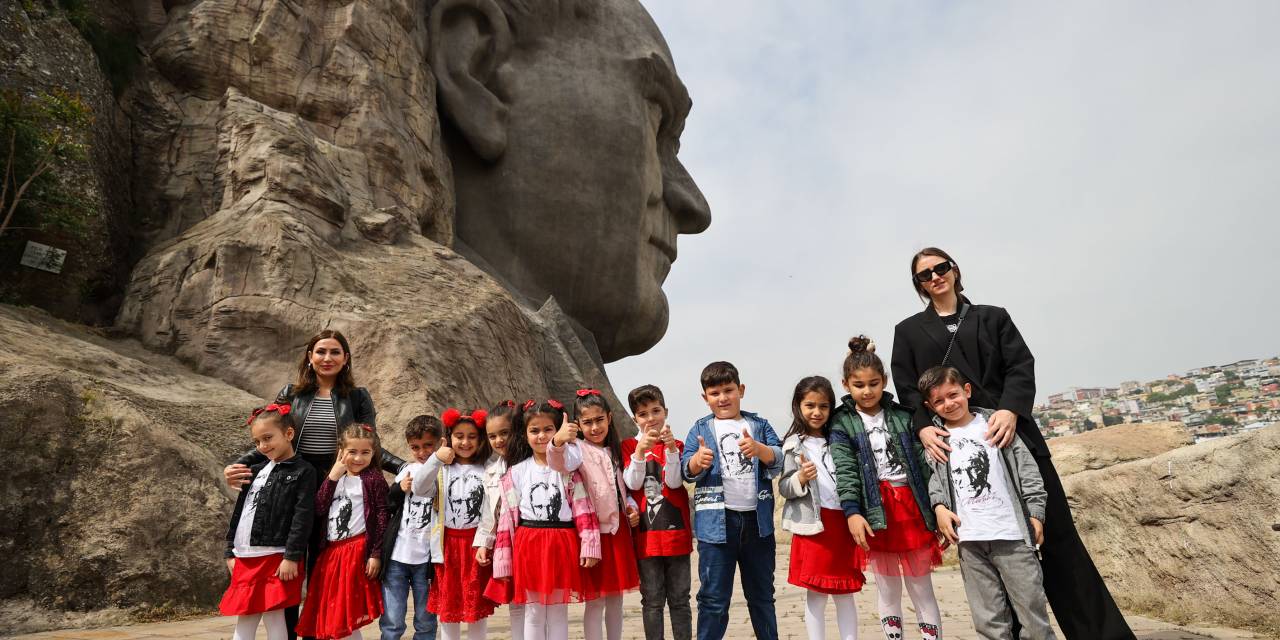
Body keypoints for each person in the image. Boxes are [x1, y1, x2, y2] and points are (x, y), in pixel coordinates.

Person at [890, 247, 1133, 640]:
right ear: (918, 284)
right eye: (925, 274)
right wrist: (922, 428)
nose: (935, 277)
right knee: (991, 553)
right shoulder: (909, 331)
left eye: (941, 268)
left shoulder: (993, 316)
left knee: (1059, 544)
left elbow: (1021, 365)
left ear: (954, 270)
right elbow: (907, 390)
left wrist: (1009, 410)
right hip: (959, 453)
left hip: (1012, 438)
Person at [921, 366, 1056, 640]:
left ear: (967, 390)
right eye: (939, 400)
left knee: (1033, 614)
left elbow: (1027, 472)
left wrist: (1036, 514)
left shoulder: (994, 424)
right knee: (988, 620)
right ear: (929, 406)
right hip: (970, 542)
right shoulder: (936, 439)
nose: (948, 403)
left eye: (953, 394)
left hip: (1013, 536)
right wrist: (939, 508)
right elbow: (934, 481)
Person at [830, 337, 944, 640]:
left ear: (884, 381)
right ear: (845, 384)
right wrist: (852, 512)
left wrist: (939, 507)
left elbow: (924, 464)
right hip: (875, 512)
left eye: (873, 383)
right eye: (858, 385)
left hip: (911, 509)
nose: (867, 391)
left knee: (922, 588)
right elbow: (846, 472)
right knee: (887, 589)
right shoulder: (841, 424)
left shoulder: (904, 415)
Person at [680, 361, 783, 640]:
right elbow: (683, 471)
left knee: (762, 596)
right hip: (716, 528)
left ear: (741, 390)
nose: (722, 398)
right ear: (705, 398)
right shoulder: (700, 428)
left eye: (728, 390)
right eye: (715, 393)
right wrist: (696, 462)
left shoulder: (759, 425)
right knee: (713, 600)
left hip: (757, 525)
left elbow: (779, 459)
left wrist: (760, 450)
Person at [492, 399, 602, 640]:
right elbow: (506, 520)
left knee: (557, 611)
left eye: (548, 429)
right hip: (528, 545)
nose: (541, 436)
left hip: (562, 544)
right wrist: (502, 559)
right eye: (534, 430)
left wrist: (590, 545)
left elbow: (583, 509)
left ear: (558, 432)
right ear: (524, 433)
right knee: (533, 612)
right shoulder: (516, 472)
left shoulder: (568, 470)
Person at [547, 389, 641, 640]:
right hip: (594, 536)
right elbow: (558, 463)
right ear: (578, 425)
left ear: (609, 418)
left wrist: (631, 507)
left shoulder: (615, 451)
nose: (595, 427)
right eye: (587, 422)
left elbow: (625, 489)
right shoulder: (576, 449)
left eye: (599, 420)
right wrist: (557, 442)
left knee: (616, 600)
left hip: (618, 533)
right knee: (596, 601)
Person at [778, 376, 866, 640]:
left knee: (845, 591)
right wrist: (801, 478)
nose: (817, 412)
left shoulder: (841, 436)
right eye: (810, 405)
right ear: (798, 406)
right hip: (814, 525)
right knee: (816, 593)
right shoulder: (793, 444)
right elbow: (784, 487)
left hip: (844, 521)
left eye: (824, 406)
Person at [220, 404, 317, 640]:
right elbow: (239, 513)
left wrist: (292, 556)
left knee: (275, 615)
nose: (263, 446)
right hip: (246, 556)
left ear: (289, 434)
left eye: (268, 438)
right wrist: (229, 551)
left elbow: (302, 518)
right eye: (257, 442)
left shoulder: (305, 472)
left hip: (277, 556)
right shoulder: (254, 470)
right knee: (246, 615)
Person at [296, 424, 388, 640]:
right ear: (341, 451)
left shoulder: (373, 479)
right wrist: (332, 478)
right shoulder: (334, 478)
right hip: (331, 553)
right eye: (352, 452)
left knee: (346, 614)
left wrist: (375, 554)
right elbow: (318, 508)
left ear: (373, 453)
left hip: (356, 551)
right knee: (331, 612)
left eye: (365, 452)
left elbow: (382, 517)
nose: (358, 458)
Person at [414, 408, 499, 640]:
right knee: (447, 611)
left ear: (481, 439)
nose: (465, 442)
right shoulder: (441, 469)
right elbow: (419, 488)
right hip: (447, 546)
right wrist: (435, 459)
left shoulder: (489, 469)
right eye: (459, 436)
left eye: (472, 436)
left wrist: (485, 542)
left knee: (476, 613)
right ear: (449, 437)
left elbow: (489, 512)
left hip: (476, 546)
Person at [621, 384, 692, 640]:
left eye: (656, 410)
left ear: (666, 411)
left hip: (677, 538)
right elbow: (632, 484)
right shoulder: (628, 446)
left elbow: (674, 482)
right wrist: (640, 451)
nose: (650, 418)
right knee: (651, 601)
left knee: (680, 600)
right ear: (635, 418)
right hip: (646, 539)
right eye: (643, 414)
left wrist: (672, 449)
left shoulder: (679, 444)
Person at [380, 416, 444, 640]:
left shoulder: (444, 471)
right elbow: (388, 504)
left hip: (426, 558)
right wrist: (399, 488)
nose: (422, 452)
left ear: (439, 443)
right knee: (392, 619)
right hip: (398, 556)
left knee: (426, 619)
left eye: (428, 445)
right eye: (415, 447)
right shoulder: (406, 469)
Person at [475, 400, 526, 639]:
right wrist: (484, 542)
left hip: (531, 538)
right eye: (492, 436)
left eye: (504, 433)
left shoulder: (531, 462)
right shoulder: (491, 468)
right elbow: (489, 511)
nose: (499, 441)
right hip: (506, 543)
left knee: (540, 603)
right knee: (516, 602)